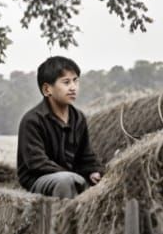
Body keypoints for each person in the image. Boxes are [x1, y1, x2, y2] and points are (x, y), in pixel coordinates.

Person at [16, 56, 103, 198]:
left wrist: (94, 171)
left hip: (72, 177)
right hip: (39, 180)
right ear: (47, 89)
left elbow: (86, 156)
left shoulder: (78, 118)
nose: (73, 87)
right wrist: (74, 176)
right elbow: (37, 163)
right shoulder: (32, 121)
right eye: (66, 82)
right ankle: (64, 219)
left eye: (76, 81)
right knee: (65, 181)